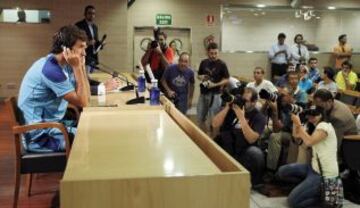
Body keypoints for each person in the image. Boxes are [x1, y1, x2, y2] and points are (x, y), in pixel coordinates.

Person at [17, 25, 90, 152]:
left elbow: (86, 96)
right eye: (81, 47)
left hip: (52, 126)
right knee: (88, 138)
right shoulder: (51, 70)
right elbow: (83, 102)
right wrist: (78, 68)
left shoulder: (62, 66)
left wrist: (82, 67)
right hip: (40, 137)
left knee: (91, 130)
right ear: (66, 49)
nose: (84, 53)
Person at [277, 106, 340, 208]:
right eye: (310, 114)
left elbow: (309, 142)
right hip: (312, 168)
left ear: (321, 115)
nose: (311, 117)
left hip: (323, 174)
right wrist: (296, 119)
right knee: (282, 171)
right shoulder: (312, 126)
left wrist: (298, 123)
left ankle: (321, 198)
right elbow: (296, 136)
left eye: (314, 114)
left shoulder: (325, 126)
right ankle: (309, 189)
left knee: (293, 202)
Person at [212, 87, 266, 185]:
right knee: (214, 142)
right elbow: (215, 124)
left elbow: (251, 139)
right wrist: (227, 107)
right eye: (242, 99)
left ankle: (253, 182)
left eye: (246, 101)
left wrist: (241, 117)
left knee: (256, 153)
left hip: (244, 149)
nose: (243, 103)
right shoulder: (232, 110)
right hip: (229, 145)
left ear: (254, 102)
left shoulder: (259, 117)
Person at [75, 5, 119, 95]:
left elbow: (95, 42)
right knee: (83, 78)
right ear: (85, 14)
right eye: (89, 13)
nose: (92, 15)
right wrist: (87, 43)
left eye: (93, 14)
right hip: (84, 57)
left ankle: (95, 89)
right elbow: (76, 42)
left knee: (89, 78)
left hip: (93, 57)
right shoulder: (79, 25)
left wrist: (100, 44)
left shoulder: (95, 27)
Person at [197, 42, 230, 129]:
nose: (214, 56)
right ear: (208, 53)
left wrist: (215, 84)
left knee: (214, 119)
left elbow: (227, 79)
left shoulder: (222, 64)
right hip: (203, 93)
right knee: (200, 117)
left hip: (216, 94)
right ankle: (201, 135)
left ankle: (212, 138)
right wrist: (202, 77)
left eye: (216, 53)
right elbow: (198, 75)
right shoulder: (203, 62)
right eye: (211, 53)